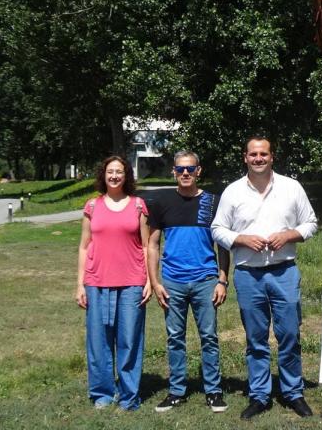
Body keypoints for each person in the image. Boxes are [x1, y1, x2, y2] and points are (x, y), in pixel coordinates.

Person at [212, 137, 318, 420]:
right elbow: (217, 229)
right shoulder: (233, 191)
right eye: (253, 154)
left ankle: (292, 392)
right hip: (248, 275)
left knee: (290, 335)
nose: (258, 158)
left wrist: (289, 234)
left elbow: (310, 223)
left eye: (264, 154)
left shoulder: (291, 187)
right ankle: (259, 395)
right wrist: (240, 238)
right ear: (245, 157)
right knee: (256, 339)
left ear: (272, 157)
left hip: (284, 271)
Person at [147, 151, 230, 413]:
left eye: (190, 169)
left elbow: (223, 246)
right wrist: (156, 282)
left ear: (198, 171)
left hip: (206, 280)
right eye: (181, 169)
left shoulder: (212, 202)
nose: (185, 173)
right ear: (173, 171)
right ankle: (176, 391)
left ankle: (213, 391)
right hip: (172, 282)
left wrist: (223, 280)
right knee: (175, 338)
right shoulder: (161, 201)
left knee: (209, 337)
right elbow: (152, 245)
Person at [75, 156, 151, 410]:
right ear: (103, 175)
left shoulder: (138, 206)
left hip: (132, 283)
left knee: (129, 340)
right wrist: (79, 284)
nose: (115, 176)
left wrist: (150, 281)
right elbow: (84, 247)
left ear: (126, 175)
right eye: (110, 172)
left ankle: (129, 396)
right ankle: (102, 394)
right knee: (99, 342)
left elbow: (145, 246)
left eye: (119, 172)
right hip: (96, 283)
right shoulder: (92, 207)